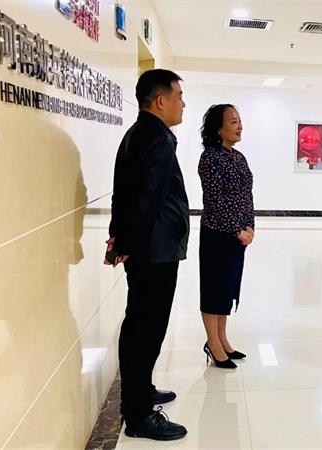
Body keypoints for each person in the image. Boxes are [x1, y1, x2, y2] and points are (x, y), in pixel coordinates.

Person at [105, 69, 189, 440]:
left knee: (140, 325)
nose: (182, 103)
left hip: (146, 248)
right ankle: (138, 415)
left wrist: (119, 239)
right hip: (154, 252)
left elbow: (123, 192)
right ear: (160, 101)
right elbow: (146, 199)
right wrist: (126, 243)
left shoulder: (138, 134)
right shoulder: (158, 139)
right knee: (147, 329)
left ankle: (141, 390)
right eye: (178, 96)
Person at [198, 104, 254, 369]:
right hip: (217, 234)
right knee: (214, 289)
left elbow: (247, 195)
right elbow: (215, 201)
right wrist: (236, 229)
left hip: (239, 235)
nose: (239, 126)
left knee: (228, 287)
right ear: (218, 129)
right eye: (233, 121)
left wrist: (250, 227)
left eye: (239, 120)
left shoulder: (239, 157)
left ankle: (222, 338)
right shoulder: (210, 158)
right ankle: (213, 342)